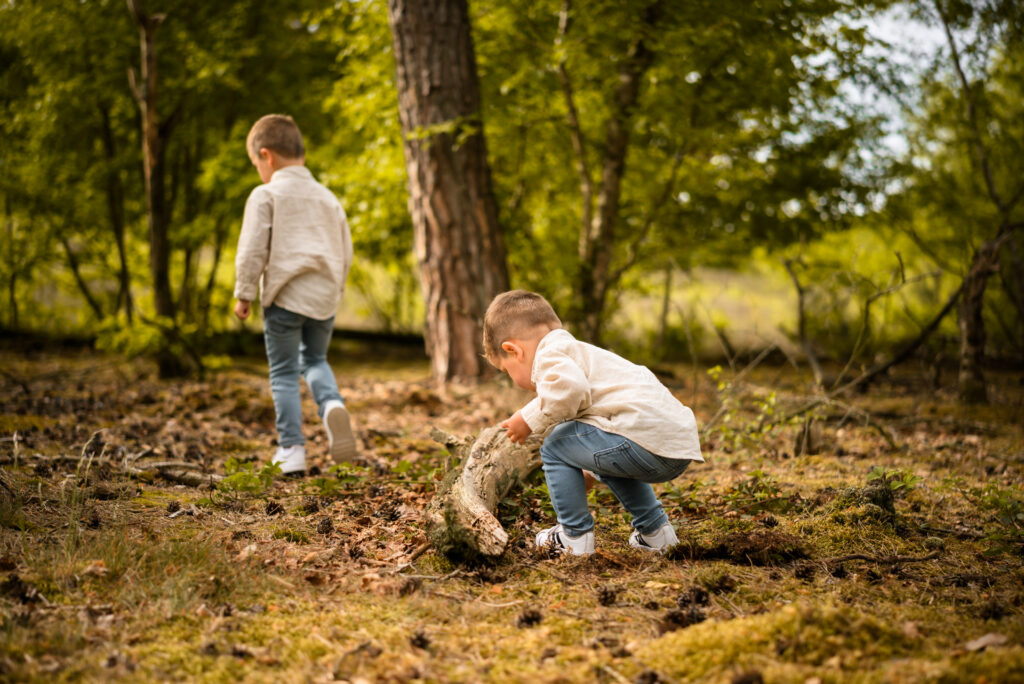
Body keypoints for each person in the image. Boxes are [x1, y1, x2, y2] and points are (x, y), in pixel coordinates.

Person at [483, 290, 703, 555]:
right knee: (586, 444)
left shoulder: (549, 355)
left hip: (643, 439)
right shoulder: (580, 353)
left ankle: (573, 537)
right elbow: (604, 429)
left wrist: (527, 419)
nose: (513, 381)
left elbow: (569, 391)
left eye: (507, 372)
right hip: (671, 446)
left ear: (513, 350)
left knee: (554, 446)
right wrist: (589, 467)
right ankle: (656, 533)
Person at [233, 114, 357, 475]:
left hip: (285, 298)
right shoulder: (328, 198)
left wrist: (244, 293)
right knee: (315, 360)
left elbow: (252, 249)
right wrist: (336, 288)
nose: (259, 170)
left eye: (256, 163)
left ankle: (291, 450)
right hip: (323, 299)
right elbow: (345, 249)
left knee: (284, 372)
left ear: (266, 156)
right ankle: (331, 403)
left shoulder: (266, 194)